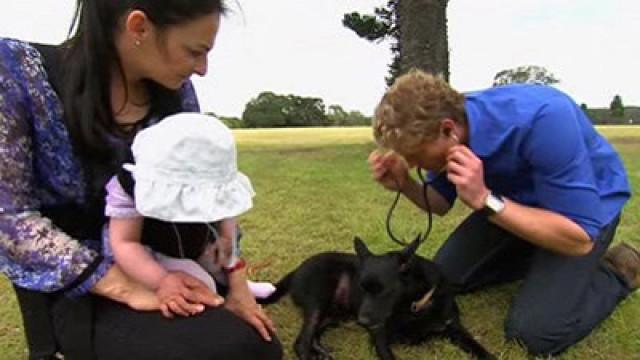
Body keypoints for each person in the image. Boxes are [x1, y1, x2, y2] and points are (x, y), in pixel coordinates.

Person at [0, 0, 282, 359]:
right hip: (78, 285)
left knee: (259, 345)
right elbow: (9, 218)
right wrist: (130, 287)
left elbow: (205, 192)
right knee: (226, 349)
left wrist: (237, 284)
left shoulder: (175, 93)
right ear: (139, 28)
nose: (203, 69)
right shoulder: (18, 74)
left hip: (164, 258)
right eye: (194, 51)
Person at [368, 69, 639, 356]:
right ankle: (541, 258)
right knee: (443, 277)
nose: (411, 164)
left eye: (415, 158)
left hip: (582, 215)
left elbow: (580, 238)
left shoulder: (543, 118)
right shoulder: (447, 132)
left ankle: (618, 270)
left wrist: (485, 199)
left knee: (534, 332)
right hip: (517, 203)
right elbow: (440, 204)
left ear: (449, 130)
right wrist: (406, 185)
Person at [105, 112, 276, 318]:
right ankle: (205, 285)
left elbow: (226, 210)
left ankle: (232, 284)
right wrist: (162, 280)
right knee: (203, 286)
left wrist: (225, 239)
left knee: (217, 258)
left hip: (194, 238)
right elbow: (125, 243)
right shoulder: (129, 185)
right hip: (151, 249)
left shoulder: (215, 183)